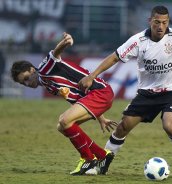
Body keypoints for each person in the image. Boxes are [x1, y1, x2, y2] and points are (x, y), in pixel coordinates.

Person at [78, 6, 172, 173]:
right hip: (146, 94)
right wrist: (92, 76)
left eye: (164, 23)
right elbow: (114, 57)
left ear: (168, 23)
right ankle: (101, 165)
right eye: (157, 22)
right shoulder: (138, 41)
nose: (160, 26)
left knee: (169, 126)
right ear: (149, 21)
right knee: (123, 127)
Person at [10, 32, 117, 175]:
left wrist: (66, 41)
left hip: (100, 92)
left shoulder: (43, 69)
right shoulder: (46, 83)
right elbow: (79, 99)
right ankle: (103, 155)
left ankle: (87, 159)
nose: (27, 83)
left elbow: (55, 53)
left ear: (31, 69)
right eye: (23, 83)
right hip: (96, 96)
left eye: (27, 78)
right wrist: (101, 118)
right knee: (62, 126)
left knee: (65, 120)